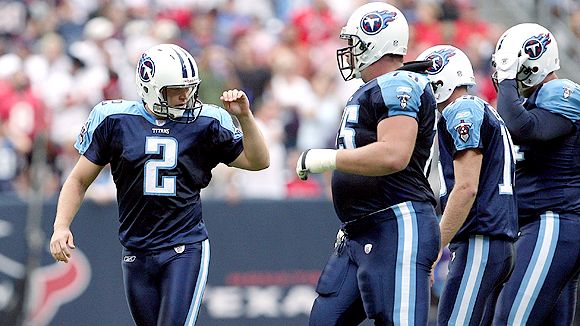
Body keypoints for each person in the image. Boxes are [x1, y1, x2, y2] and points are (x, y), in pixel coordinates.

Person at [49, 43, 269, 326]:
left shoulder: (207, 121)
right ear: (151, 87)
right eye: (175, 89)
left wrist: (245, 117)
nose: (185, 95)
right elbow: (78, 179)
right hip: (136, 251)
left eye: (189, 87)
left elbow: (258, 161)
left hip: (184, 246)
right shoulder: (114, 119)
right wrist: (61, 226)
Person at [295, 2, 440, 324]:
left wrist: (326, 158)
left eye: (354, 42)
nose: (348, 51)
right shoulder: (374, 88)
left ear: (376, 41)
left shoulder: (398, 84)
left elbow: (393, 154)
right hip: (361, 230)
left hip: (396, 223)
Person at [416, 45, 518, 325]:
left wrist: (436, 245)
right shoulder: (477, 107)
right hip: (491, 242)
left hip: (481, 242)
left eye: (425, 75)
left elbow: (466, 187)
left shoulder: (461, 110)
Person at [491, 23, 580, 325]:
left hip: (554, 221)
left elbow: (522, 128)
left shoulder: (561, 92)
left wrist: (505, 78)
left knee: (512, 319)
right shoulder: (535, 102)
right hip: (546, 223)